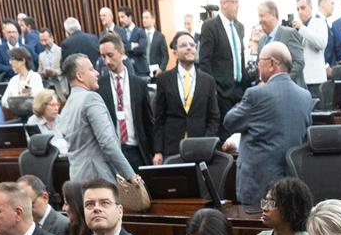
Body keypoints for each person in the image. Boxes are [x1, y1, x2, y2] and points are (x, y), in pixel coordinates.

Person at [224, 42, 312, 212]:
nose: (257, 65)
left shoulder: (256, 94)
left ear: (272, 64)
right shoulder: (305, 95)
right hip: (291, 187)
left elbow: (230, 121)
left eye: (260, 61)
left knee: (258, 230)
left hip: (259, 190)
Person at [57, 53, 136, 186]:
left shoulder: (66, 106)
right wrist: (130, 175)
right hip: (98, 178)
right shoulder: (91, 98)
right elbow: (107, 142)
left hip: (77, 177)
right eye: (91, 69)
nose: (97, 73)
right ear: (80, 76)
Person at [150, 31, 220, 165]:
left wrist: (206, 143)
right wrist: (158, 150)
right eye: (183, 45)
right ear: (175, 52)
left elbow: (214, 117)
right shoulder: (164, 79)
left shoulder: (208, 80)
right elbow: (159, 118)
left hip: (200, 148)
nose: (189, 47)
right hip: (172, 148)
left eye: (192, 45)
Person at [95, 32, 154, 168]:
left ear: (121, 53)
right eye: (103, 57)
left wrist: (156, 151)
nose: (107, 61)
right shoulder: (99, 86)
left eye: (110, 55)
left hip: (137, 151)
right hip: (112, 154)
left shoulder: (139, 84)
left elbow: (148, 121)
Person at [198, 0, 248, 110]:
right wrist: (213, 90)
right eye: (234, 2)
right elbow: (205, 61)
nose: (238, 6)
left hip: (239, 90)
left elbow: (240, 58)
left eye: (238, 2)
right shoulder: (210, 27)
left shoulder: (239, 27)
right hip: (221, 93)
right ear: (223, 4)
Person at [291, 0, 329, 90]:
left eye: (303, 8)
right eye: (298, 9)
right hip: (301, 80)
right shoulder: (298, 28)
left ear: (311, 8)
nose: (300, 12)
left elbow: (321, 43)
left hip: (315, 80)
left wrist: (301, 28)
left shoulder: (319, 22)